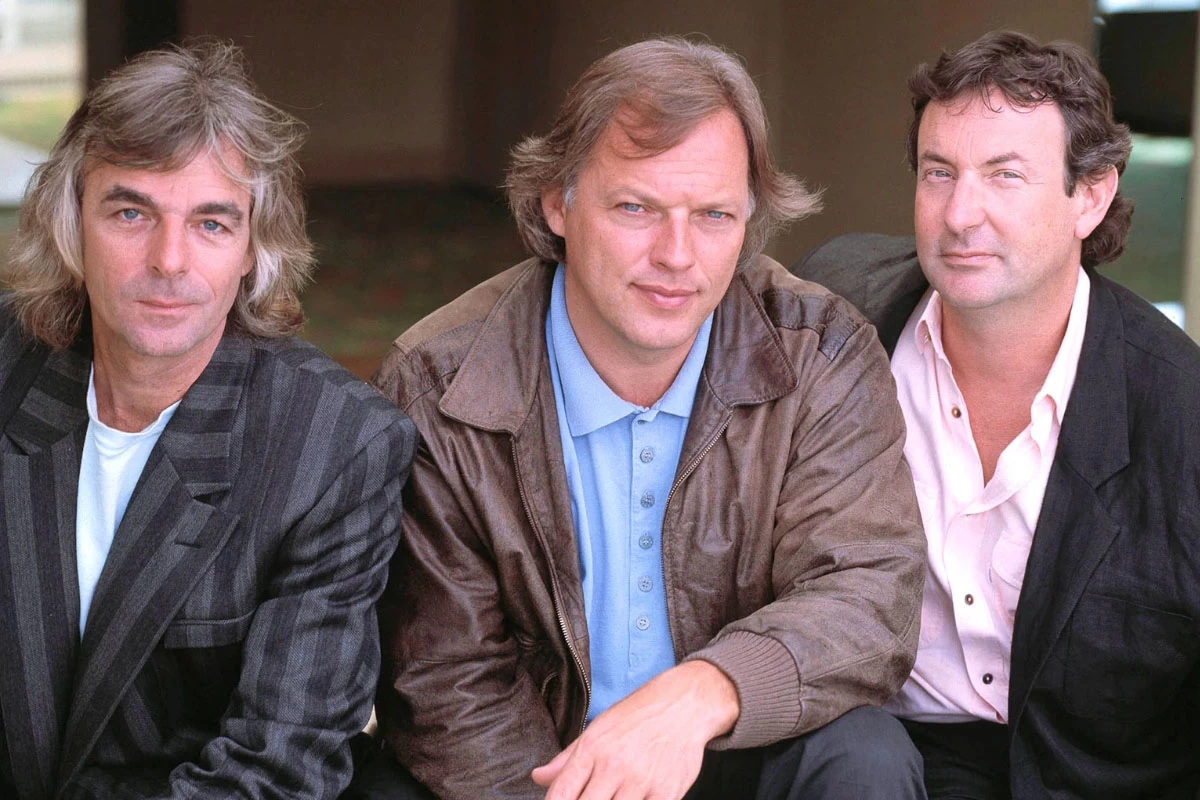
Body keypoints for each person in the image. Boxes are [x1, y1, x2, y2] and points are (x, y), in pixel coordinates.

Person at [367, 36, 926, 800]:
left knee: (864, 756)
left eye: (713, 215)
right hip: (537, 768)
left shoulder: (821, 353)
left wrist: (702, 692)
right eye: (636, 207)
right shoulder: (440, 385)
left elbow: (867, 591)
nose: (677, 255)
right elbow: (446, 681)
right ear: (558, 203)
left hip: (732, 741)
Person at [0, 40, 416, 798]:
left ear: (254, 249)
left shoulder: (335, 447)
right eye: (131, 212)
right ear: (72, 223)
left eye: (212, 224)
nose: (169, 260)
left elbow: (278, 762)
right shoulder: (9, 366)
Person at [795, 30, 1200, 799]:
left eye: (1005, 175)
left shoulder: (1180, 413)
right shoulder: (839, 308)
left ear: (1091, 196)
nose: (960, 214)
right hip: (874, 755)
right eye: (939, 172)